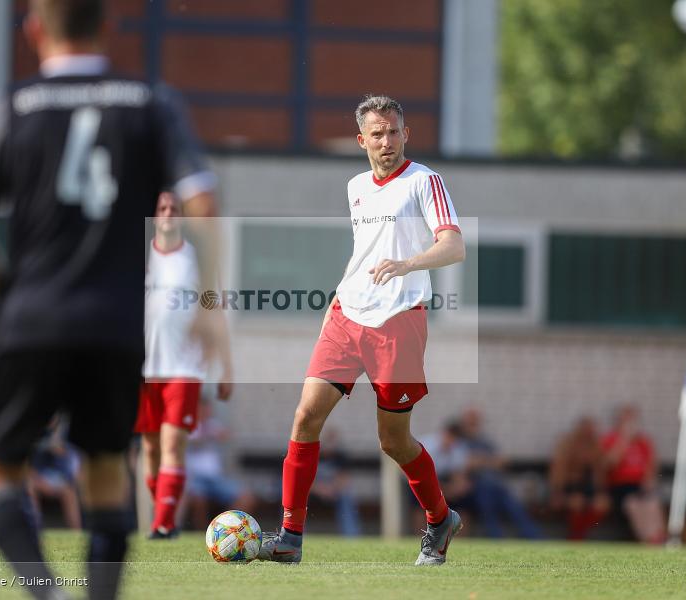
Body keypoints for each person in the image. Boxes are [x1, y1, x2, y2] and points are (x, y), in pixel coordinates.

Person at [0, 0, 219, 597]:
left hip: (32, 319)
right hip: (116, 326)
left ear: (32, 29)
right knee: (106, 471)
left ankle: (45, 590)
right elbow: (203, 204)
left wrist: (4, 292)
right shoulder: (152, 102)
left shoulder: (11, 106)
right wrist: (213, 309)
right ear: (108, 24)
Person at [257, 95, 466, 565]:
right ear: (361, 140)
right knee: (306, 417)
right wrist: (337, 298)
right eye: (377, 134)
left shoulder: (424, 181)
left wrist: (407, 264)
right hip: (347, 315)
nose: (386, 141)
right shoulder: (355, 187)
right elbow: (365, 252)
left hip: (399, 323)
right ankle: (290, 537)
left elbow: (454, 246)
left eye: (393, 132)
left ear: (405, 134)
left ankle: (439, 518)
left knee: (392, 440)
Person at [137, 191, 233, 539]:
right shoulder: (140, 257)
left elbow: (215, 312)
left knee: (172, 442)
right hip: (145, 367)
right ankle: (163, 508)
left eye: (174, 209)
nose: (168, 213)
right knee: (150, 448)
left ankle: (164, 523)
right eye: (161, 208)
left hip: (185, 366)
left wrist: (226, 367)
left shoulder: (196, 261)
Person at [457, 408, 542, 539]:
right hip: (475, 488)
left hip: (496, 486)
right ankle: (496, 536)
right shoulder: (459, 442)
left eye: (475, 422)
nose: (473, 425)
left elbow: (501, 462)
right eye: (470, 422)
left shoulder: (485, 441)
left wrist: (481, 461)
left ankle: (532, 535)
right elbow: (467, 464)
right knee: (487, 501)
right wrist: (487, 461)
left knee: (513, 505)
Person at [183, 401, 256, 529]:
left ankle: (226, 529)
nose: (205, 413)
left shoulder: (213, 425)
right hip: (194, 478)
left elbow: (226, 434)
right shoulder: (187, 426)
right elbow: (189, 440)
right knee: (198, 500)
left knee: (246, 498)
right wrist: (206, 436)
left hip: (216, 478)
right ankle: (202, 532)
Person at [602, 405, 666, 544]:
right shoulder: (610, 439)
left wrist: (649, 482)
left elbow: (651, 467)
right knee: (634, 505)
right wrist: (624, 441)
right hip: (620, 487)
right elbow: (609, 464)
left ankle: (658, 538)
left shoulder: (643, 442)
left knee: (652, 504)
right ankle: (648, 540)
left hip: (640, 486)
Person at [548, 416, 610, 540]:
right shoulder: (567, 445)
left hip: (590, 487)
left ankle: (581, 534)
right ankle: (575, 537)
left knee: (602, 504)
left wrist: (601, 491)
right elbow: (558, 470)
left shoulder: (597, 446)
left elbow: (600, 472)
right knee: (576, 503)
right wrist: (557, 492)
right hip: (570, 486)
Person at [309, 428, 361, 536]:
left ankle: (351, 535)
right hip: (312, 491)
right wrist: (320, 489)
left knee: (346, 496)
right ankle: (293, 532)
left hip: (333, 492)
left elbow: (344, 479)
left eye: (332, 441)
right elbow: (304, 479)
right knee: (295, 496)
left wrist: (332, 489)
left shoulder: (341, 457)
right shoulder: (311, 455)